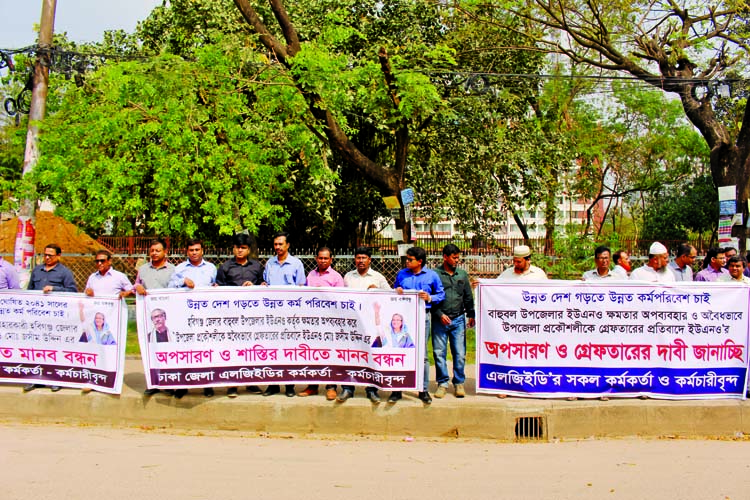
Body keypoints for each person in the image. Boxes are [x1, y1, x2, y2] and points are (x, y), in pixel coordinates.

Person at [392, 246, 445, 405]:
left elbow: (441, 294)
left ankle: (423, 389)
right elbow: (394, 289)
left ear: (419, 261)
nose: (407, 262)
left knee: (422, 354)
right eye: (406, 259)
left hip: (423, 317)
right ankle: (397, 389)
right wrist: (397, 290)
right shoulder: (402, 274)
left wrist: (429, 297)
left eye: (410, 259)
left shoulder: (432, 275)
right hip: (403, 317)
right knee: (400, 351)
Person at [25, 243, 78, 393]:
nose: (47, 258)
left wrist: (54, 289)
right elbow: (30, 291)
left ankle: (56, 379)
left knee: (55, 350)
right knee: (37, 349)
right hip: (38, 319)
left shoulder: (64, 273)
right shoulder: (37, 271)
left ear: (58, 256)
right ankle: (36, 379)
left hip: (56, 321)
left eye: (51, 255)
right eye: (45, 255)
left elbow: (72, 291)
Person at [216, 233, 263, 397]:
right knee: (233, 349)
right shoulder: (225, 268)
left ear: (248, 249)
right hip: (232, 317)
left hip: (252, 317)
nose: (240, 250)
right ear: (233, 249)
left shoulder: (256, 267)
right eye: (237, 247)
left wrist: (255, 286)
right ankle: (232, 384)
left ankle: (251, 382)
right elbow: (219, 292)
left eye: (243, 248)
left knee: (251, 349)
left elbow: (264, 288)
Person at [341, 246, 390, 404]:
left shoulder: (378, 277)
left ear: (370, 260)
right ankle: (348, 388)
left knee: (370, 355)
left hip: (371, 324)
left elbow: (390, 297)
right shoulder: (348, 276)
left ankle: (371, 389)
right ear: (354, 259)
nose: (360, 261)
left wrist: (378, 291)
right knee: (350, 355)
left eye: (364, 258)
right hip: (352, 323)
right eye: (358, 258)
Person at [169, 239, 217, 398]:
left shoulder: (211, 268)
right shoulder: (180, 269)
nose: (194, 252)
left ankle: (207, 384)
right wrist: (182, 281)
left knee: (205, 350)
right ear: (187, 251)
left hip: (205, 317)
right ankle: (184, 385)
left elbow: (217, 287)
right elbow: (169, 287)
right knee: (186, 351)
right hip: (185, 317)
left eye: (197, 249)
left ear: (202, 250)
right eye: (191, 250)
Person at [262, 232, 304, 397]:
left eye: (281, 244)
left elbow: (301, 287)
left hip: (290, 314)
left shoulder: (296, 264)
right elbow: (266, 282)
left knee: (289, 350)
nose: (278, 247)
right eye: (276, 244)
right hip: (272, 314)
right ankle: (273, 385)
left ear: (288, 245)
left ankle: (289, 385)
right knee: (272, 350)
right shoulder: (269, 264)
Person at [299, 246, 345, 400]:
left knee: (330, 354)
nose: (323, 261)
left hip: (329, 321)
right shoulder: (310, 275)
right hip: (312, 321)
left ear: (331, 260)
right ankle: (312, 385)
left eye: (326, 258)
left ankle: (331, 387)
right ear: (316, 259)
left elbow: (341, 301)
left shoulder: (337, 277)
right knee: (312, 353)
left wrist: (324, 291)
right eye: (320, 258)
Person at [430, 244, 475, 399]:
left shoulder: (462, 275)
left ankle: (459, 382)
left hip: (458, 319)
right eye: (454, 257)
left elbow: (468, 296)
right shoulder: (435, 275)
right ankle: (442, 383)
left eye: (458, 257)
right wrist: (438, 314)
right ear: (445, 257)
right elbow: (430, 299)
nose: (457, 260)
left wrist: (471, 314)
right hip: (439, 320)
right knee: (438, 352)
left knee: (460, 353)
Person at [134, 239, 175, 397]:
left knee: (167, 349)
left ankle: (169, 382)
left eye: (158, 250)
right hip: (149, 316)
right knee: (150, 349)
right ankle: (153, 382)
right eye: (152, 250)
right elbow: (136, 284)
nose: (154, 253)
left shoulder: (173, 269)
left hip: (167, 317)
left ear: (165, 252)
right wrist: (136, 286)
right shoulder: (143, 269)